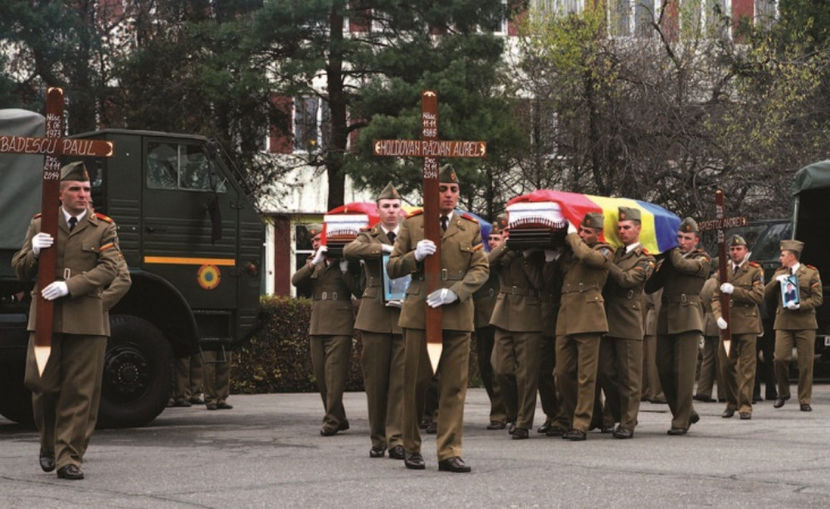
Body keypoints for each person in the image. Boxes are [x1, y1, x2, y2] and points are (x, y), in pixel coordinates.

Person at [13, 161, 122, 480]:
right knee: (40, 383)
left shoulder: (103, 226)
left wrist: (70, 286)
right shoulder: (40, 224)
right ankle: (48, 443)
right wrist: (33, 251)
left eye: (87, 189)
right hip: (46, 317)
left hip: (86, 320)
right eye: (75, 189)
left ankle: (69, 457)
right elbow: (19, 267)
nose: (83, 195)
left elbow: (110, 268)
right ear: (59, 193)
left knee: (80, 392)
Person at [387, 164, 488, 473]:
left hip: (456, 315)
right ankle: (411, 447)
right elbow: (392, 267)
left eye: (453, 190)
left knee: (454, 387)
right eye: (442, 189)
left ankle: (449, 451)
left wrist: (457, 292)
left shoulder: (469, 227)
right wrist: (414, 256)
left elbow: (481, 268)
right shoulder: (413, 224)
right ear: (431, 192)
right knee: (415, 384)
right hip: (420, 313)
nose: (448, 194)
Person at [343, 182, 406, 459]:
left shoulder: (410, 236)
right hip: (375, 318)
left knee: (400, 383)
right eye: (386, 207)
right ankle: (377, 438)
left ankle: (396, 439)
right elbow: (349, 250)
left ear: (400, 209)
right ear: (378, 210)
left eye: (395, 206)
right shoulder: (367, 236)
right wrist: (382, 248)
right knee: (376, 381)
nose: (391, 211)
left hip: (404, 315)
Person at [291, 224, 361, 435]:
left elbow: (358, 291)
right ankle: (340, 417)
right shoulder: (313, 263)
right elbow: (296, 281)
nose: (316, 244)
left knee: (334, 377)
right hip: (317, 325)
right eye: (313, 241)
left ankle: (331, 421)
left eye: (319, 240)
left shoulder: (346, 263)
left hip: (340, 326)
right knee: (321, 377)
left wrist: (346, 270)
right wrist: (314, 262)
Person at [553, 212, 613, 441]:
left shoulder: (605, 250)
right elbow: (551, 280)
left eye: (587, 232)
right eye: (580, 230)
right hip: (566, 316)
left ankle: (581, 422)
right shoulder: (570, 253)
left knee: (586, 376)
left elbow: (589, 258)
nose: (582, 234)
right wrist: (553, 257)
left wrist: (572, 237)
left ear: (598, 234)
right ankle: (571, 416)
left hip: (589, 317)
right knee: (563, 373)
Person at [648, 217, 710, 435]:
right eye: (679, 237)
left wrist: (670, 248)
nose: (682, 241)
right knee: (663, 368)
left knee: (683, 372)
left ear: (696, 240)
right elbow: (650, 287)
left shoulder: (702, 259)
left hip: (687, 318)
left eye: (687, 238)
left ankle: (681, 419)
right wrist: (655, 261)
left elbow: (683, 265)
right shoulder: (670, 258)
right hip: (666, 318)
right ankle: (685, 410)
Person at [598, 207, 655, 439]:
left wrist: (605, 262)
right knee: (607, 372)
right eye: (619, 228)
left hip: (629, 322)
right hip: (608, 319)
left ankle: (628, 422)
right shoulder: (616, 254)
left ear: (638, 229)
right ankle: (618, 413)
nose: (622, 231)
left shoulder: (646, 258)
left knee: (630, 377)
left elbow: (627, 280)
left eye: (627, 227)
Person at [488, 225, 546, 440]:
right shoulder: (505, 250)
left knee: (526, 374)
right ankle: (513, 413)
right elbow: (487, 263)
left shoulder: (535, 255)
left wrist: (525, 254)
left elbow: (539, 282)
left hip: (529, 314)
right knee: (500, 368)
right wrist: (508, 245)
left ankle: (523, 421)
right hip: (503, 313)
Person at [764, 239, 823, 412]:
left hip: (805, 322)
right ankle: (783, 392)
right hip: (783, 321)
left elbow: (818, 298)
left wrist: (801, 305)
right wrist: (776, 281)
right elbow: (765, 294)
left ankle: (804, 399)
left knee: (806, 363)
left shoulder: (810, 273)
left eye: (783, 255)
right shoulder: (779, 272)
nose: (780, 258)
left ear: (792, 256)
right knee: (780, 359)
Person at [712, 234, 764, 420]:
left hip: (747, 325)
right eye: (732, 249)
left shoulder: (754, 271)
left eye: (738, 249)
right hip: (727, 326)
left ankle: (745, 406)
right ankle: (731, 402)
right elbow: (716, 297)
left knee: (747, 368)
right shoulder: (723, 272)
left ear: (746, 251)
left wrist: (735, 291)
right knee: (726, 366)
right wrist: (718, 316)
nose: (735, 252)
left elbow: (758, 296)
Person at [472, 215, 509, 430]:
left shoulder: (504, 256)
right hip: (482, 319)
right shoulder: (485, 257)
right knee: (486, 367)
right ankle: (500, 410)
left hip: (500, 318)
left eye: (498, 238)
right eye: (492, 238)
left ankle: (501, 413)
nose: (495, 242)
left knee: (499, 368)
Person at [695, 273, 724, 403]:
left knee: (708, 360)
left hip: (707, 321)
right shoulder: (720, 283)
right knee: (722, 359)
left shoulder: (706, 283)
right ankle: (724, 393)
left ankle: (703, 391)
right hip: (718, 321)